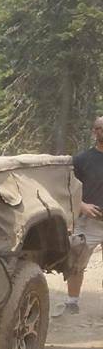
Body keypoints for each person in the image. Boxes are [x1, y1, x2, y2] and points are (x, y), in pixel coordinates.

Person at [62, 116, 103, 314]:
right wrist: (81, 205)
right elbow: (68, 188)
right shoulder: (81, 159)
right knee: (77, 262)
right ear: (94, 131)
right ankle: (72, 302)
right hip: (88, 221)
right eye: (101, 128)